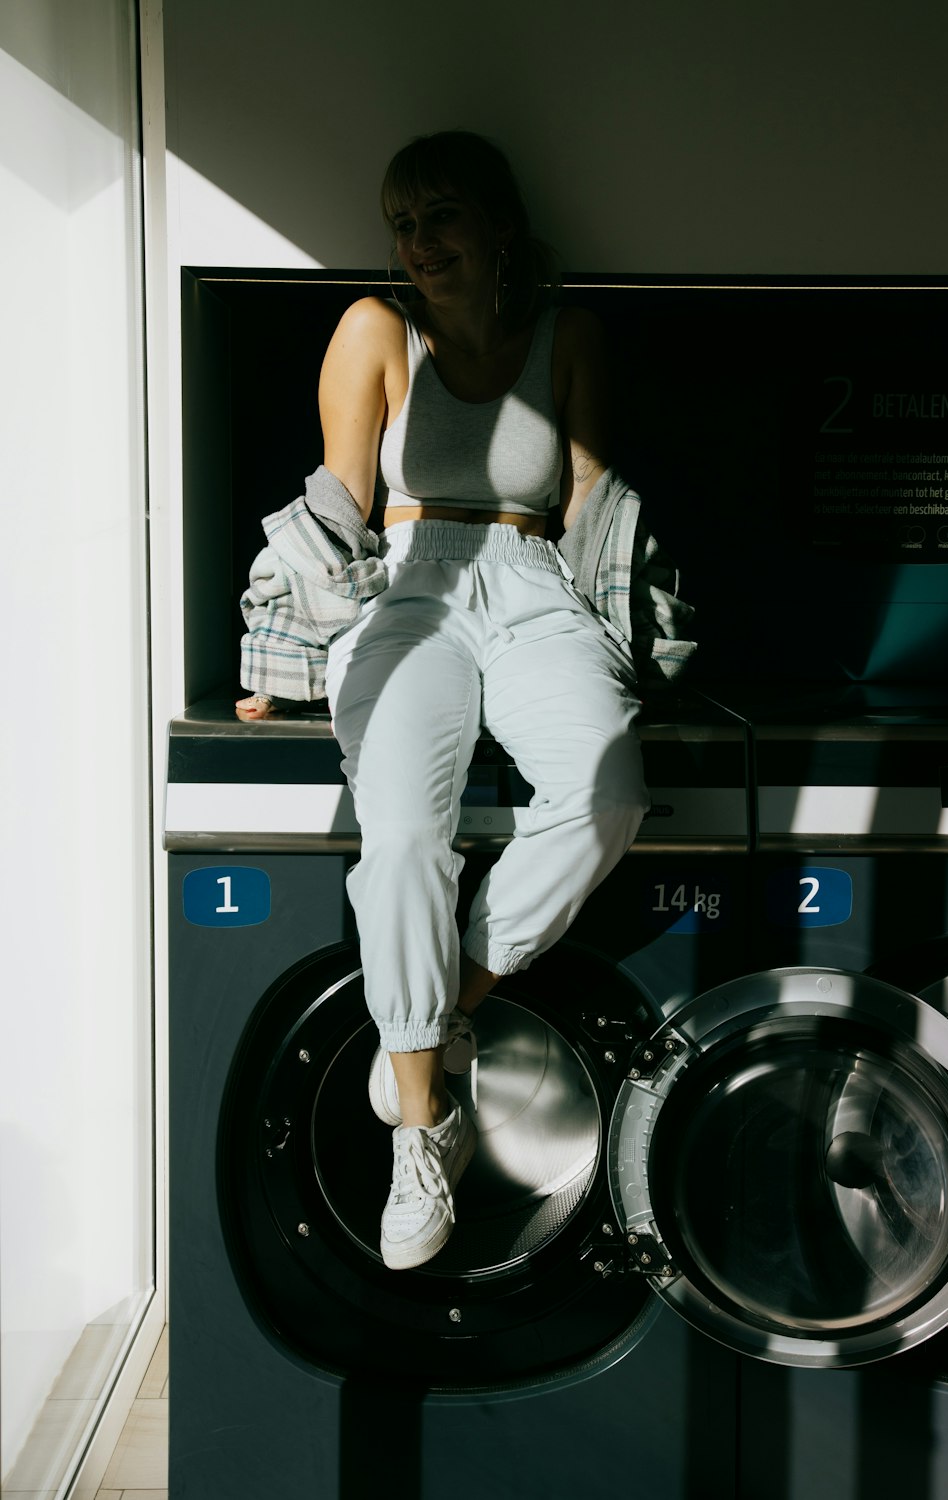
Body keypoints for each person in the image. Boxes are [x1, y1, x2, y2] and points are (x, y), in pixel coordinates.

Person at [236, 131, 662, 1272]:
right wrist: (277, 652)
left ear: (498, 226)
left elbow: (589, 510)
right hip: (412, 585)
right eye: (402, 223)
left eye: (440, 218)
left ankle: (439, 1009)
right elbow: (339, 499)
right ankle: (423, 1127)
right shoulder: (376, 331)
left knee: (609, 787)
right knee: (407, 828)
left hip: (531, 589)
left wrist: (633, 634)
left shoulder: (567, 337)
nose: (417, 243)